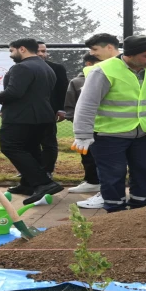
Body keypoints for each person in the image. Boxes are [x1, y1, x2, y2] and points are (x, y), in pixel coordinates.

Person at [73, 33, 146, 210]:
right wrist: (83, 134)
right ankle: (115, 213)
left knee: (143, 172)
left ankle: (139, 206)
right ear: (130, 54)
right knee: (113, 175)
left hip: (140, 133)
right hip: (108, 135)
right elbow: (87, 103)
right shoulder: (104, 71)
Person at [0, 38, 63, 205]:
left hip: (21, 117)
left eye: (11, 51)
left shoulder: (22, 67)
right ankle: (28, 184)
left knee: (10, 147)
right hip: (42, 116)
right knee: (30, 149)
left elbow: (14, 92)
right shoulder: (45, 66)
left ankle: (44, 183)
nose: (11, 55)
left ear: (22, 49)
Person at [64, 53, 101, 194]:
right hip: (87, 128)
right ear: (89, 64)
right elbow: (70, 105)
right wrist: (80, 124)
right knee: (88, 155)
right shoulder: (77, 82)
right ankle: (92, 181)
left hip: (110, 127)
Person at [36, 41, 69, 176]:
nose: (41, 54)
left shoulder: (57, 68)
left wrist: (61, 109)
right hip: (25, 113)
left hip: (49, 111)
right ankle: (32, 169)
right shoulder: (20, 68)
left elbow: (63, 90)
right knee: (28, 143)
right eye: (38, 51)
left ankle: (47, 170)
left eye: (44, 51)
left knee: (48, 142)